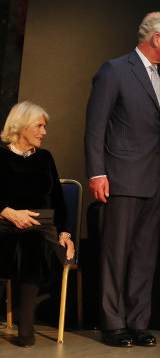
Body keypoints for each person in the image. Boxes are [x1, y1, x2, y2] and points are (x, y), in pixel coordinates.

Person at [84, 11, 160, 348]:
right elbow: (95, 126)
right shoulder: (114, 71)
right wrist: (97, 173)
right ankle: (113, 323)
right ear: (156, 39)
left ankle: (138, 322)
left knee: (144, 256)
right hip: (122, 179)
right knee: (116, 254)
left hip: (156, 181)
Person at [0, 101, 75, 347]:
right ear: (21, 126)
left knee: (32, 242)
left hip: (40, 225)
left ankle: (26, 328)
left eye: (44, 126)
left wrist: (65, 232)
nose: (44, 132)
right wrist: (8, 212)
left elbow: (58, 201)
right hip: (4, 221)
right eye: (39, 126)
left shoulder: (45, 158)